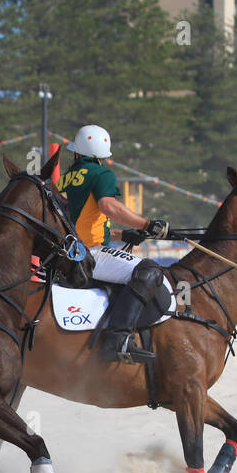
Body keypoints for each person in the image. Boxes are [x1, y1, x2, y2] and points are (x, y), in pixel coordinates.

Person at [55, 123, 169, 364]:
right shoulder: (101, 174)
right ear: (100, 157)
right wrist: (146, 224)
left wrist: (122, 235)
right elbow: (108, 206)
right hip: (88, 254)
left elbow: (83, 222)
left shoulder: (65, 179)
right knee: (149, 271)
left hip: (65, 253)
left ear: (77, 152)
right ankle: (119, 339)